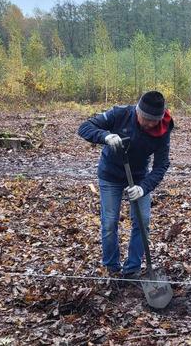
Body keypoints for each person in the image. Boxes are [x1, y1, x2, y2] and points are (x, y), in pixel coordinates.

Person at [78, 91, 174, 279]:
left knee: (142, 221)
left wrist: (143, 188)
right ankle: (112, 267)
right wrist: (104, 136)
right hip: (110, 174)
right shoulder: (120, 114)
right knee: (109, 222)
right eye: (145, 118)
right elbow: (85, 127)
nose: (148, 124)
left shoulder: (163, 129)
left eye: (153, 121)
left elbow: (162, 165)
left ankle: (132, 269)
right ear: (137, 111)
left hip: (138, 176)